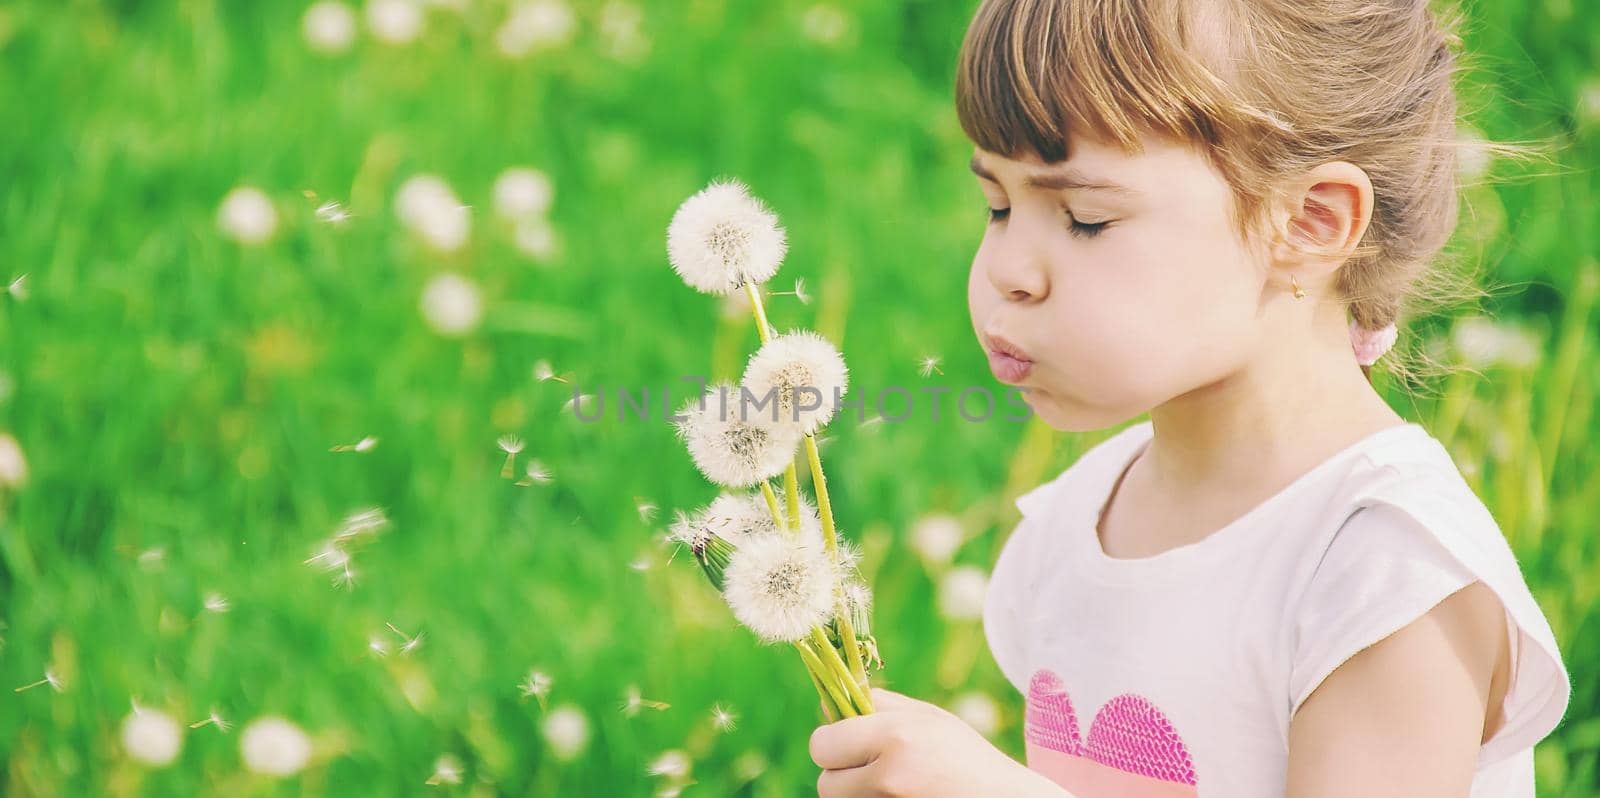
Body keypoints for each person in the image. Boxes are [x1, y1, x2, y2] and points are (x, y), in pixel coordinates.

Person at [808, 0, 1573, 795]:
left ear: (1309, 223)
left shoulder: (1382, 574)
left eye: (1085, 218)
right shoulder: (1076, 524)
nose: (1008, 269)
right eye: (998, 205)